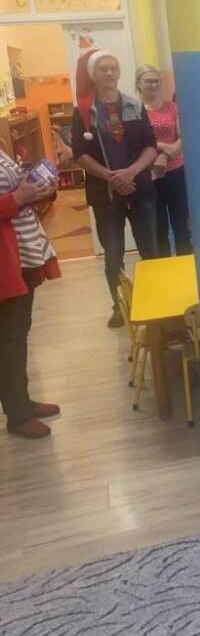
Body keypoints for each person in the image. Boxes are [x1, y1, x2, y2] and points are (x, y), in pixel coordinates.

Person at [71, 50, 158, 328]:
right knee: (113, 254)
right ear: (92, 75)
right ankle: (120, 307)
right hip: (105, 195)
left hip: (140, 189)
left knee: (151, 251)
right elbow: (79, 153)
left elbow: (151, 146)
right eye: (103, 69)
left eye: (113, 67)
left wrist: (131, 172)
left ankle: (156, 305)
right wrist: (110, 177)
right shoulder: (83, 112)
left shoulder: (135, 105)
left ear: (119, 72)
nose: (109, 73)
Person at [0, 151, 61, 439]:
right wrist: (18, 198)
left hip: (22, 252)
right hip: (5, 259)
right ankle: (17, 414)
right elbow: (13, 198)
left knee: (17, 334)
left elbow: (14, 190)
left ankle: (22, 401)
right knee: (7, 340)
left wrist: (37, 190)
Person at [135, 64, 191, 256]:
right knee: (158, 227)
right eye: (148, 81)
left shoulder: (173, 107)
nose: (153, 85)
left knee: (181, 224)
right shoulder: (135, 111)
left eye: (156, 81)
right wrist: (162, 147)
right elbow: (137, 142)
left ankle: (185, 264)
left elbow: (184, 136)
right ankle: (164, 267)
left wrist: (166, 154)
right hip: (148, 175)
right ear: (138, 84)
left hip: (176, 172)